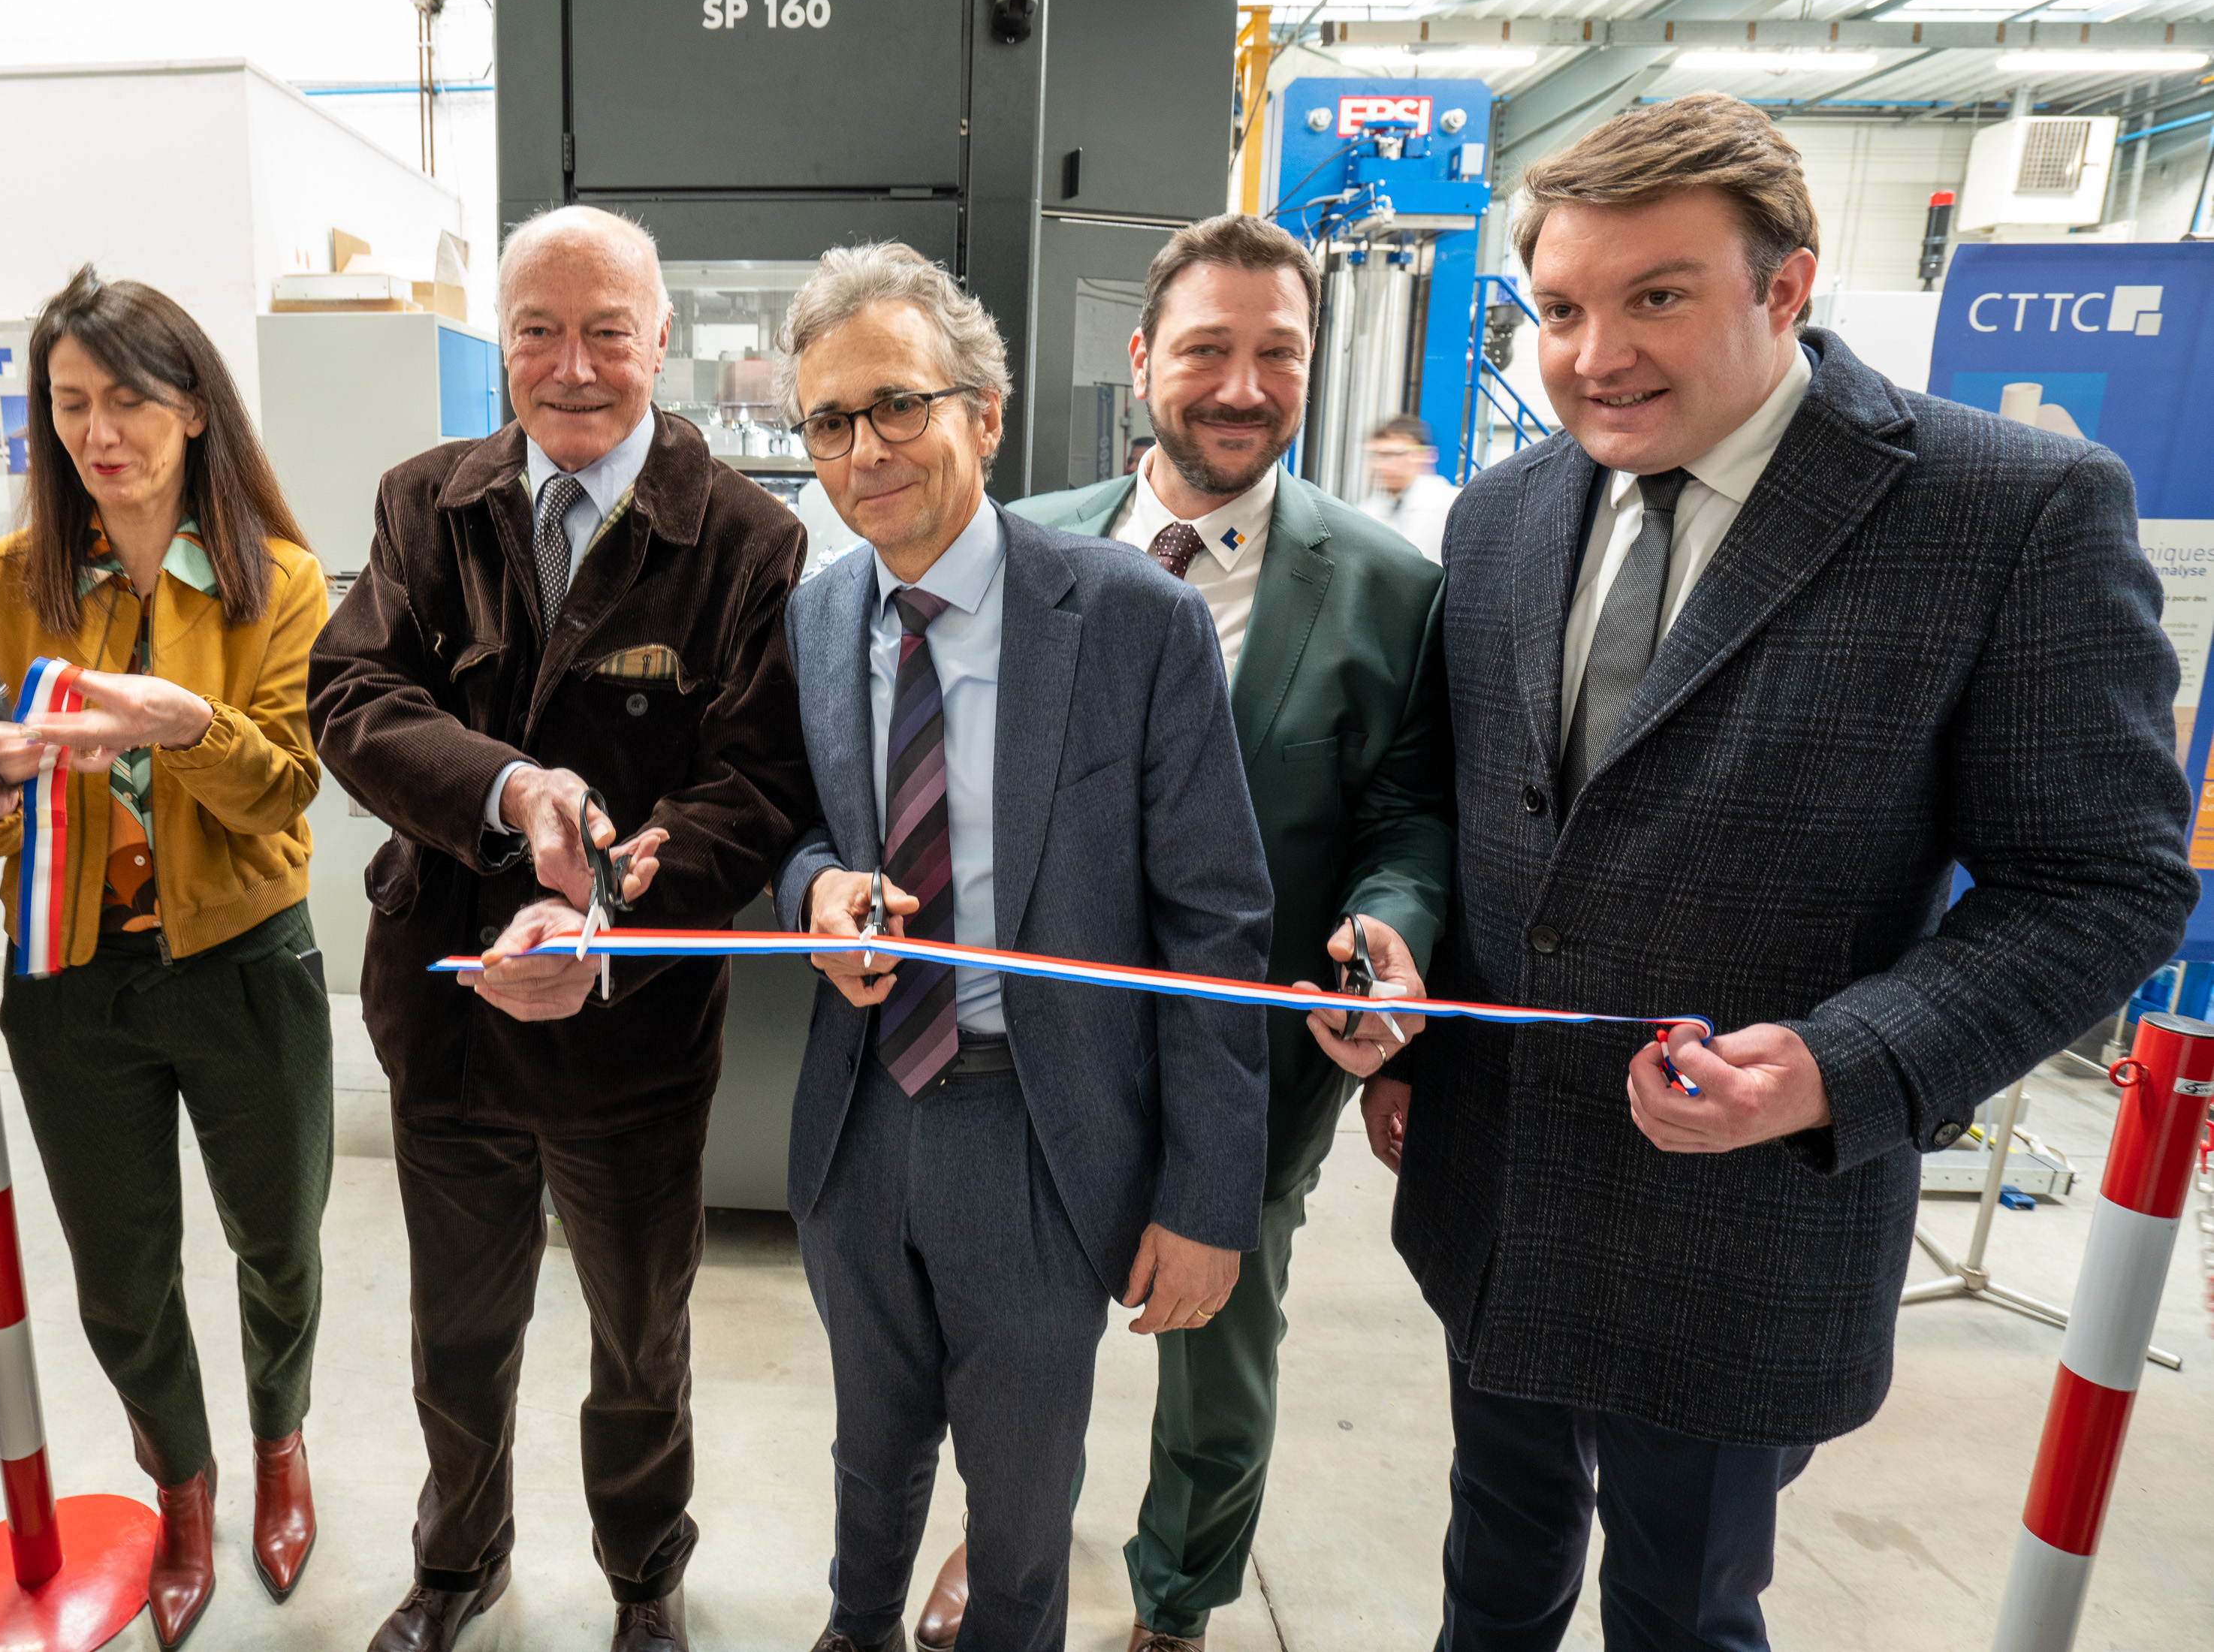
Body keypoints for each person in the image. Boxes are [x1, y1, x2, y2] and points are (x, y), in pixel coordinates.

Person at [1387, 92, 2197, 1650]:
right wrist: (1400, 975)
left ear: (1786, 286)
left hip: (1739, 1210)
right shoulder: (1501, 514)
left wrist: (1835, 1066)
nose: (1592, 352)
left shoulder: (1996, 510)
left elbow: (2099, 879)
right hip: (1495, 1179)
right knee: (1491, 1562)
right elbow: (1452, 801)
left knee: (1681, 1605)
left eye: (1656, 296)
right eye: (1558, 307)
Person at [905, 214, 1444, 1652]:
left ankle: (1179, 1596)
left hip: (1249, 1051)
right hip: (1031, 1042)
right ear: (1143, 361)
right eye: (1207, 348)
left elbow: (1406, 820)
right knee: (1021, 1337)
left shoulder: (1385, 587)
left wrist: (1389, 931)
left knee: (1218, 1355)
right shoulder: (1021, 547)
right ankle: (1001, 1537)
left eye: (1279, 354)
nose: (1242, 386)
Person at [309, 204, 815, 1652]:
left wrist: (599, 911)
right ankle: (455, 1565)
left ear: (662, 339)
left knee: (637, 1344)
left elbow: (756, 784)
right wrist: (509, 786)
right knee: (456, 1335)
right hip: (445, 1008)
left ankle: (644, 1575)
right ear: (502, 348)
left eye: (608, 330)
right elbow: (353, 698)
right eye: (538, 329)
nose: (574, 364)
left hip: (633, 1035)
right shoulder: (427, 503)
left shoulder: (745, 541)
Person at [770, 243, 1275, 1652]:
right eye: (827, 422)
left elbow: (1218, 925)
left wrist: (1208, 1194)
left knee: (1019, 1490)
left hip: (1041, 1134)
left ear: (982, 415)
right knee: (869, 1447)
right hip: (862, 1111)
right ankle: (853, 1629)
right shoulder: (818, 614)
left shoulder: (1130, 622)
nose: (864, 452)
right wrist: (816, 890)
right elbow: (793, 830)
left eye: (896, 405)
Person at [0, 267, 332, 1648]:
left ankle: (280, 1440)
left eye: (130, 400)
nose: (100, 432)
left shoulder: (276, 583)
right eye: (70, 404)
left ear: (196, 411)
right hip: (66, 980)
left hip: (243, 965)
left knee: (276, 1243)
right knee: (121, 1267)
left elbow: (285, 791)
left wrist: (183, 728)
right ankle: (185, 1482)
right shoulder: (4, 588)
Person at [1359, 413, 1457, 564]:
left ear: (1425, 455)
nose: (1380, 465)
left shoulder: (1451, 505)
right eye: (1377, 455)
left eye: (1393, 454)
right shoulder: (1368, 510)